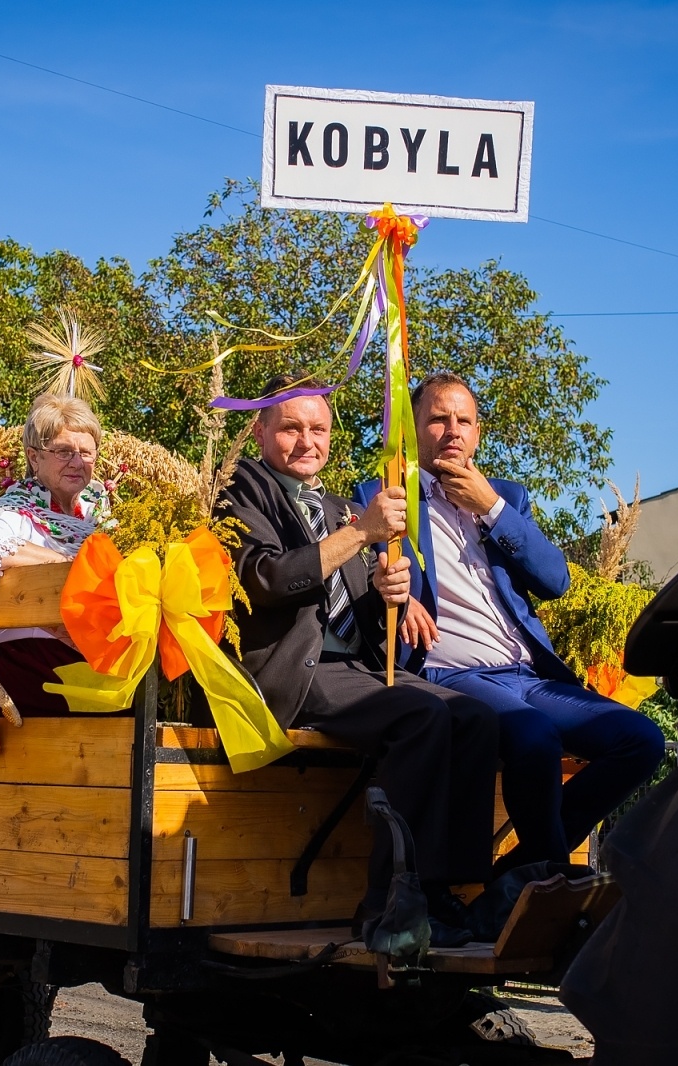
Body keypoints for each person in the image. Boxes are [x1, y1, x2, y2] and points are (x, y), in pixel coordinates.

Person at [216, 375, 498, 944]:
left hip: (355, 669)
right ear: (260, 429)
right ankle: (385, 906)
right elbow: (268, 579)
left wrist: (389, 591)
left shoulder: (339, 505)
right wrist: (362, 533)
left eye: (318, 429)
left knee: (475, 719)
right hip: (295, 670)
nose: (306, 441)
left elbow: (363, 617)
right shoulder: (240, 490)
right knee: (422, 718)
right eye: (291, 428)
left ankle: (445, 891)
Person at [356, 372, 665, 872]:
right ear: (413, 431)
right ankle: (548, 874)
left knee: (641, 741)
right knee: (534, 736)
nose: (453, 430)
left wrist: (491, 508)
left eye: (464, 420)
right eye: (438, 419)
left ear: (478, 434)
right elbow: (364, 573)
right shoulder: (383, 495)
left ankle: (527, 868)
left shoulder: (507, 497)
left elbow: (555, 581)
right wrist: (391, 588)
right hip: (450, 675)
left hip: (527, 673)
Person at [0, 394, 112, 714]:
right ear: (34, 457)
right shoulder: (16, 511)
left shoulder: (97, 521)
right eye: (63, 451)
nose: (77, 462)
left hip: (91, 666)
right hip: (33, 666)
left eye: (86, 452)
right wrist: (75, 569)